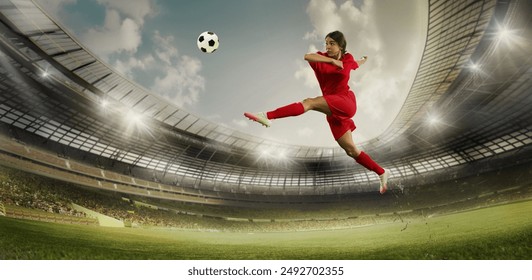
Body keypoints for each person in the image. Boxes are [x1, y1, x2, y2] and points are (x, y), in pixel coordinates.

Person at [244, 30, 389, 194]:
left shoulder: (347, 59)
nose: (327, 46)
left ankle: (267, 116)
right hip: (332, 111)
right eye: (326, 43)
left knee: (310, 103)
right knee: (351, 150)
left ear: (341, 46)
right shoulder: (320, 58)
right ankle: (382, 172)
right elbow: (307, 56)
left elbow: (356, 63)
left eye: (332, 43)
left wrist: (364, 59)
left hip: (346, 102)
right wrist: (331, 62)